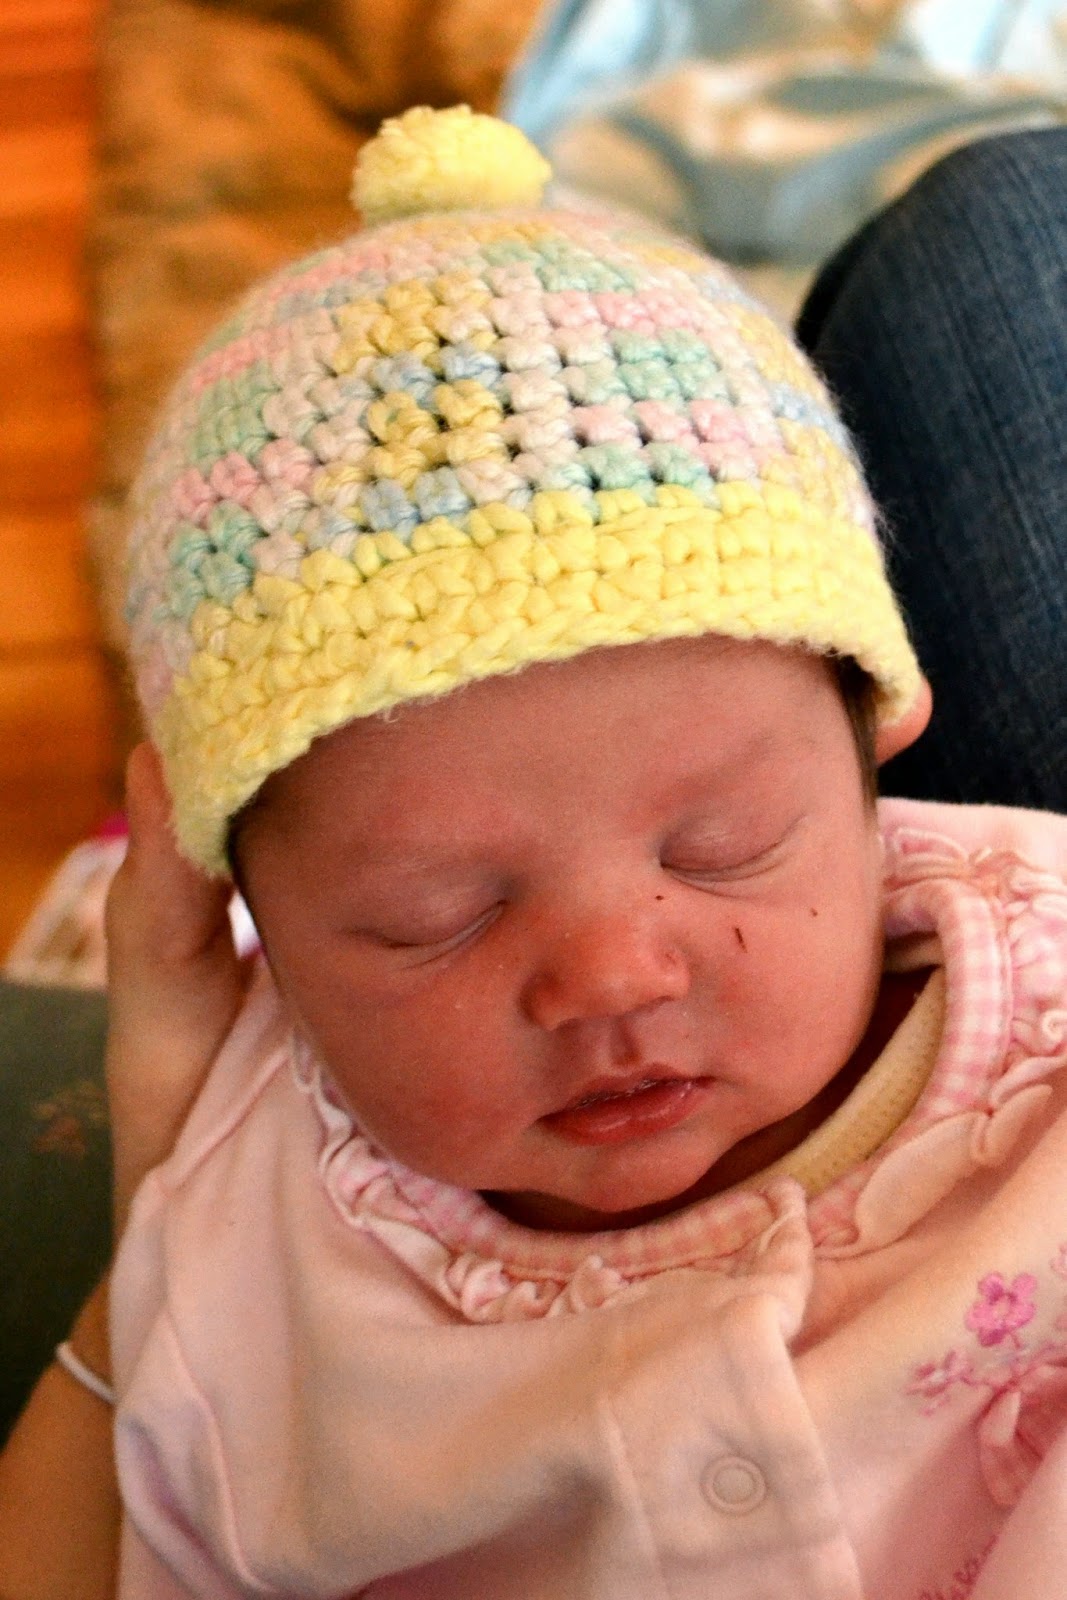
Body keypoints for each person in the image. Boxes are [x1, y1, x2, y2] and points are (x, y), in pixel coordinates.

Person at [4, 111, 1067, 1598]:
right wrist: (171, 1228)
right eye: (430, 915)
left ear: (880, 736)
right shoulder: (256, 1261)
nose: (612, 977)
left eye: (723, 845)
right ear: (244, 910)